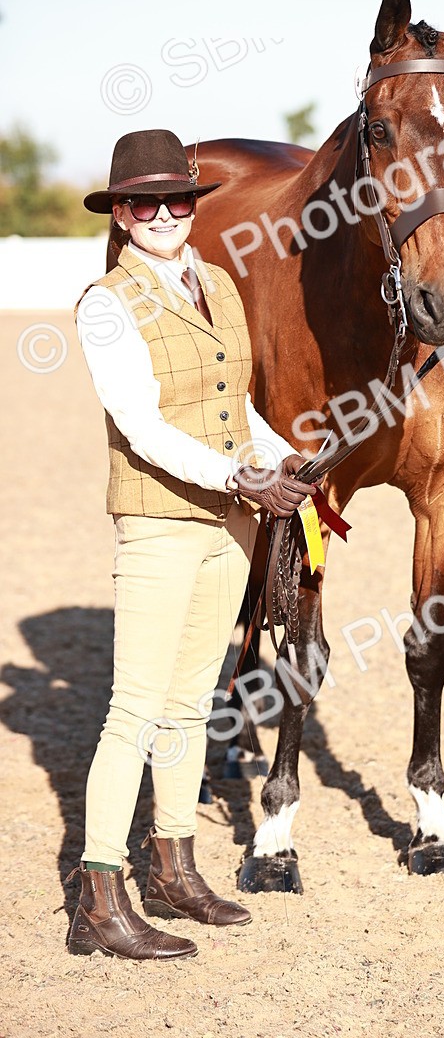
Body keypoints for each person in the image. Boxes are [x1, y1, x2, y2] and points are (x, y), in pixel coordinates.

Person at [69, 129, 310, 960]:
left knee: (190, 700)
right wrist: (240, 476)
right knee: (132, 708)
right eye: (145, 204)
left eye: (176, 199)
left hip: (229, 524)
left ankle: (173, 870)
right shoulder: (107, 303)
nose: (164, 214)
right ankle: (99, 896)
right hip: (161, 522)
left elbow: (235, 408)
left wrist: (282, 456)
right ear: (121, 215)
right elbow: (141, 425)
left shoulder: (218, 284)